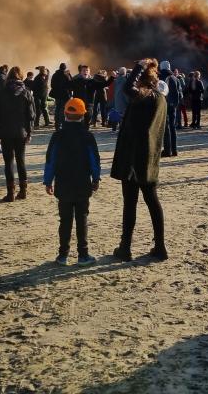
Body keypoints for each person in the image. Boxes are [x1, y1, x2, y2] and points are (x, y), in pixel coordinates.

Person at [111, 59, 168, 262]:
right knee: (152, 202)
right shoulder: (160, 99)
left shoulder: (146, 97)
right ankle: (160, 247)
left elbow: (128, 88)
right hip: (149, 158)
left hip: (133, 159)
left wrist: (139, 67)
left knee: (130, 204)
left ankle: (125, 247)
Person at [43, 98, 100, 266]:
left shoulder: (57, 136)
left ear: (65, 114)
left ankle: (63, 255)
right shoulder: (87, 136)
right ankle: (83, 255)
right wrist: (95, 179)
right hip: (82, 183)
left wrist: (48, 181)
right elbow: (94, 160)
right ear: (83, 115)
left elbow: (50, 160)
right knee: (82, 219)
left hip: (63, 184)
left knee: (65, 220)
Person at [0, 66, 35, 202]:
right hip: (21, 132)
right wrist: (29, 132)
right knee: (21, 160)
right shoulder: (26, 92)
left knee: (8, 162)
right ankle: (23, 191)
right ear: (21, 76)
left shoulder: (1, 92)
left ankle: (10, 193)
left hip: (6, 132)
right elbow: (31, 115)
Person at [71, 65, 114, 129]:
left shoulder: (92, 81)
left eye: (87, 70)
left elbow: (105, 84)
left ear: (89, 72)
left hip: (89, 105)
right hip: (78, 104)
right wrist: (67, 75)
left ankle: (86, 134)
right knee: (78, 123)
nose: (85, 72)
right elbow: (68, 85)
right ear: (81, 72)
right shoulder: (76, 80)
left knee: (86, 122)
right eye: (83, 70)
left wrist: (112, 77)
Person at [159, 60, 181, 157]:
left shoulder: (160, 77)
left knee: (166, 128)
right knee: (172, 127)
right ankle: (174, 150)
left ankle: (167, 150)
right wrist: (175, 104)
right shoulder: (175, 78)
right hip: (174, 106)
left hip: (164, 105)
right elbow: (180, 93)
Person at [50, 63, 72, 130]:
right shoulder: (66, 75)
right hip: (65, 95)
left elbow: (52, 85)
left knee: (57, 109)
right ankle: (62, 125)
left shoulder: (54, 75)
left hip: (57, 95)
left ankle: (57, 125)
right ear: (65, 68)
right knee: (63, 110)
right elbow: (70, 84)